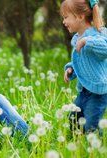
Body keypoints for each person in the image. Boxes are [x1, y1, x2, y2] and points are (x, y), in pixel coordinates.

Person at [61, 0, 107, 133]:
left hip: (98, 92)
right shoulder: (76, 38)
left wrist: (88, 41)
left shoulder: (98, 34)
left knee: (91, 125)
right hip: (83, 91)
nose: (64, 22)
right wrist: (71, 69)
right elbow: (81, 61)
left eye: (66, 17)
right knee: (74, 119)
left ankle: (94, 149)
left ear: (80, 17)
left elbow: (105, 48)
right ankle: (77, 147)